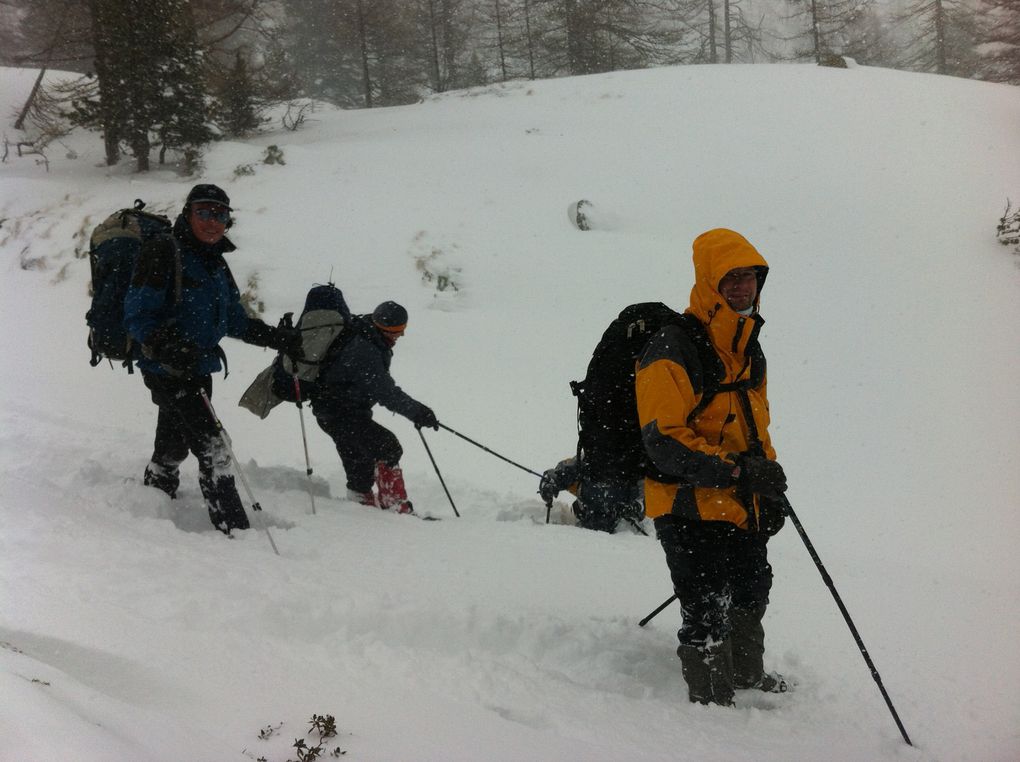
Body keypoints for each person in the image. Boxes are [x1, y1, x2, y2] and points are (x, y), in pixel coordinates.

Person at [635, 228, 790, 707]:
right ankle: (711, 700)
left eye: (749, 278)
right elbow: (664, 441)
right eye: (731, 278)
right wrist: (741, 474)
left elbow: (755, 429)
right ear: (708, 282)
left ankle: (745, 672)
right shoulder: (673, 346)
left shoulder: (748, 347)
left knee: (751, 589)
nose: (743, 288)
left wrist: (768, 486)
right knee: (705, 604)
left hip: (736, 500)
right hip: (684, 502)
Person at [124, 184, 303, 534]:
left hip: (200, 366)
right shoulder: (164, 251)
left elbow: (233, 319)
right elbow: (136, 312)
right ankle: (234, 529)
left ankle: (158, 485)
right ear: (188, 213)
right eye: (204, 212)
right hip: (166, 368)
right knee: (214, 446)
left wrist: (275, 338)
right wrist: (166, 345)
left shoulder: (216, 263)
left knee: (176, 437)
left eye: (220, 214)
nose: (212, 221)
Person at [310, 301, 438, 514]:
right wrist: (418, 412)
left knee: (360, 458)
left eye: (402, 331)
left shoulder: (369, 334)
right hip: (339, 413)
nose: (399, 337)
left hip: (337, 410)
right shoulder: (364, 350)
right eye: (396, 332)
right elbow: (385, 392)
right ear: (382, 328)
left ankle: (361, 504)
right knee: (388, 447)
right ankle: (395, 507)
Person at [538, 454, 644, 533]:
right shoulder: (586, 460)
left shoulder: (636, 465)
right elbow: (559, 473)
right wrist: (550, 482)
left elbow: (646, 498)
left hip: (625, 532)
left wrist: (635, 507)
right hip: (583, 528)